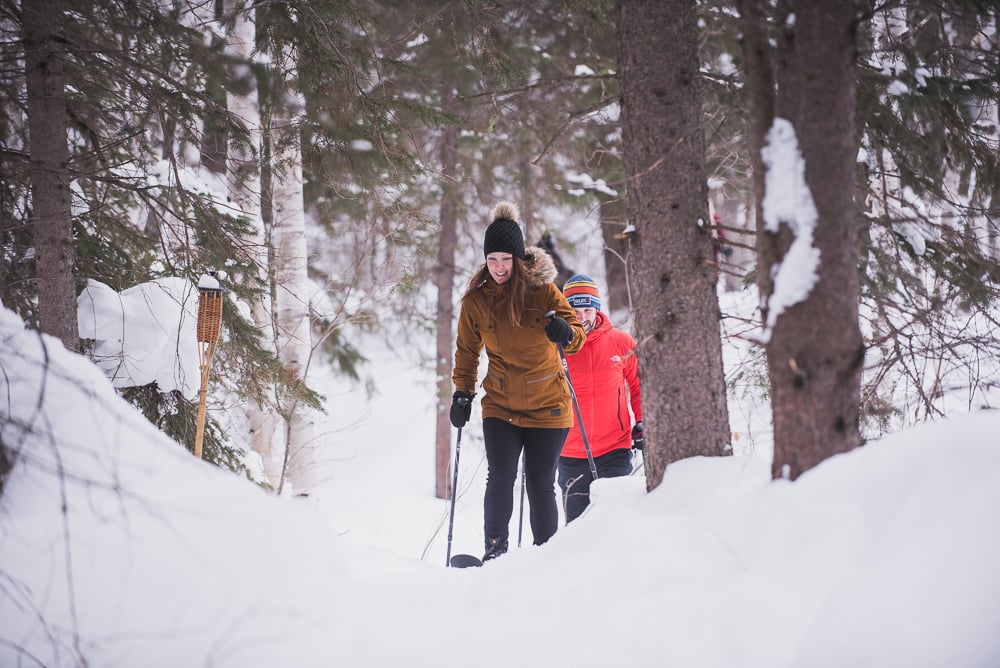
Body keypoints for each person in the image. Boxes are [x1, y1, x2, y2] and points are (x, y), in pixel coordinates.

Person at [450, 201, 586, 562]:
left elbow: (576, 334)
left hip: (548, 404)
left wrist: (564, 331)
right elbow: (467, 350)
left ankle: (546, 558)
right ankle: (495, 552)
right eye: (492, 259)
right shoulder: (476, 301)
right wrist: (462, 393)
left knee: (540, 485)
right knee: (500, 477)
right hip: (501, 403)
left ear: (517, 258)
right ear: (485, 260)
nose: (498, 267)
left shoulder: (544, 291)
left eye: (505, 259)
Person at [557, 274, 644, 523]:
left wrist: (642, 421)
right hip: (569, 450)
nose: (581, 317)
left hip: (615, 449)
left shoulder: (620, 341)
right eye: (574, 310)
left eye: (587, 309)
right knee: (578, 526)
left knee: (616, 523)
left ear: (597, 309)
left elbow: (638, 385)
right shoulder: (554, 347)